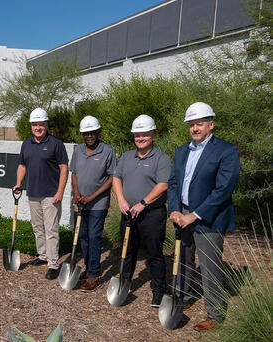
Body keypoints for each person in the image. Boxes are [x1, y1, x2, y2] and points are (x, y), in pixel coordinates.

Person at [167, 102, 240, 332]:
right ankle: (183, 298)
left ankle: (215, 314)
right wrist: (175, 209)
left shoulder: (226, 151)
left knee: (210, 267)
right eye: (191, 124)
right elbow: (173, 183)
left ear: (211, 124)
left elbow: (223, 189)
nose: (195, 128)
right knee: (184, 259)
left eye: (199, 123)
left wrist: (195, 215)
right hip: (182, 214)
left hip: (209, 218)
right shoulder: (182, 151)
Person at [112, 114, 171, 307]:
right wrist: (121, 200)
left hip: (151, 215)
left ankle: (158, 291)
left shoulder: (161, 158)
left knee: (154, 253)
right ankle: (125, 283)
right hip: (128, 213)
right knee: (127, 251)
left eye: (145, 135)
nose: (140, 138)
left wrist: (143, 203)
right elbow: (116, 178)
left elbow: (163, 185)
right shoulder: (128, 156)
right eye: (137, 135)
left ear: (153, 135)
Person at [13, 108, 69, 280]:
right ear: (31, 126)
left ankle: (53, 264)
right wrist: (18, 183)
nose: (38, 127)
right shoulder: (26, 144)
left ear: (46, 125)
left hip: (51, 194)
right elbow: (22, 166)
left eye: (41, 124)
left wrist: (60, 191)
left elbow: (64, 168)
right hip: (33, 193)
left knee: (51, 229)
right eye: (35, 124)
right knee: (37, 227)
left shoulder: (55, 144)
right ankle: (43, 256)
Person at [69, 115, 116, 291]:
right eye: (86, 133)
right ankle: (89, 269)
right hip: (81, 202)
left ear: (98, 132)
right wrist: (76, 193)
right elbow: (74, 173)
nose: (89, 136)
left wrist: (92, 196)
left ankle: (95, 274)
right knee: (83, 237)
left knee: (94, 237)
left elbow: (112, 177)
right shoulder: (78, 150)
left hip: (98, 203)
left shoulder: (108, 150)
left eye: (92, 132)